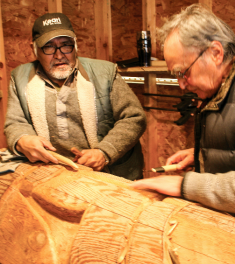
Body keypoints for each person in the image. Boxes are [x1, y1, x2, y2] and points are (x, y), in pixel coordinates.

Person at [132, 4, 235, 238]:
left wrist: (184, 186)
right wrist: (202, 154)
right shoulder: (226, 84)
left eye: (183, 72)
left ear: (216, 53)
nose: (181, 84)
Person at [4, 13, 146, 180]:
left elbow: (134, 117)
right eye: (48, 47)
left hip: (111, 174)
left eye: (66, 45)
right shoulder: (20, 77)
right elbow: (15, 122)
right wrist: (23, 139)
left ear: (76, 45)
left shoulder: (105, 73)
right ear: (34, 49)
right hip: (55, 175)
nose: (59, 55)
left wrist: (105, 151)